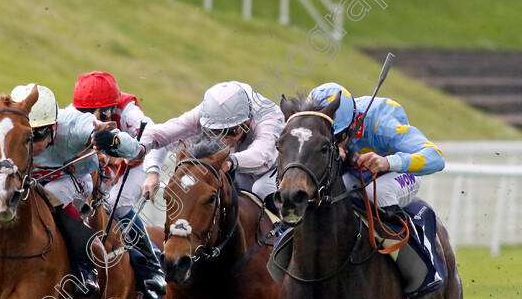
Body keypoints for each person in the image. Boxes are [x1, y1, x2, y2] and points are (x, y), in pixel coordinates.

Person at [0, 83, 142, 296]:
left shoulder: (76, 123)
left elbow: (133, 149)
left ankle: (83, 267)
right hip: (27, 179)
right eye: (29, 134)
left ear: (54, 126)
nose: (34, 141)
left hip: (72, 178)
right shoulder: (10, 125)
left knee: (50, 201)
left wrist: (112, 139)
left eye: (39, 135)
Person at [71, 71, 165, 295]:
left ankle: (153, 266)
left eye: (97, 113)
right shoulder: (76, 110)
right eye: (83, 112)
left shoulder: (130, 113)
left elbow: (158, 137)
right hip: (108, 163)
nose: (89, 118)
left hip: (137, 163)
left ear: (111, 108)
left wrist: (153, 172)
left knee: (115, 204)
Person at [140, 81, 285, 208]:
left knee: (261, 189)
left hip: (275, 170)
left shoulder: (268, 115)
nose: (224, 141)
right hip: (237, 169)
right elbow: (161, 135)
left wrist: (230, 161)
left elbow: (262, 154)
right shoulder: (202, 114)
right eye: (215, 132)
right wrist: (151, 169)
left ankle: (291, 231)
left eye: (232, 131)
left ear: (247, 122)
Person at [306, 82, 445, 214]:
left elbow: (436, 158)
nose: (334, 145)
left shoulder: (383, 123)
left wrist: (388, 162)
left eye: (337, 138)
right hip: (354, 175)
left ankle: (399, 237)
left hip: (397, 174)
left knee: (376, 192)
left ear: (354, 123)